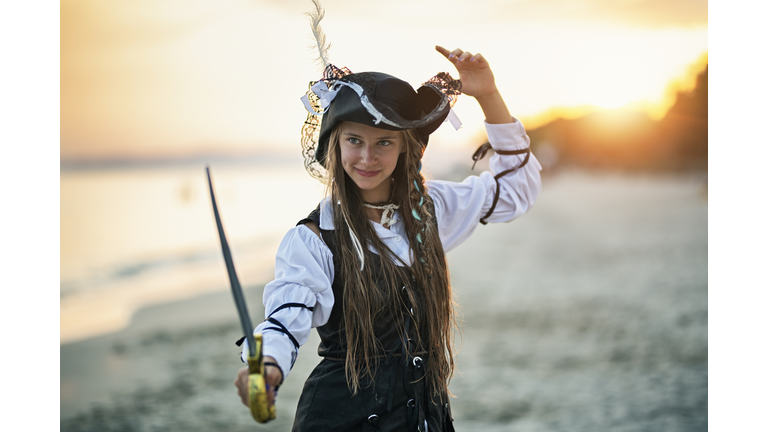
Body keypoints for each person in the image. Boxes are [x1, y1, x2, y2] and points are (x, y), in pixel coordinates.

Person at [234, 45, 542, 431]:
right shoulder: (314, 239)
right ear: (335, 143)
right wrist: (267, 366)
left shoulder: (431, 210)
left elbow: (517, 190)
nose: (366, 157)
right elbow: (284, 320)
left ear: (404, 149)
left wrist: (489, 95)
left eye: (383, 142)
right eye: (354, 140)